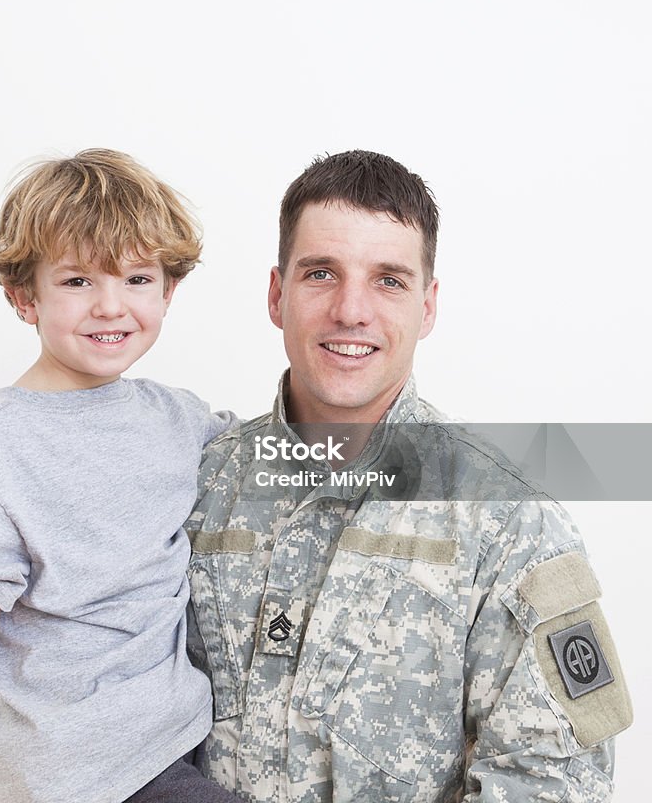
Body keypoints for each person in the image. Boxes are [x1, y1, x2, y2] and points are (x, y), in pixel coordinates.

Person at [185, 149, 632, 802]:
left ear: (428, 306)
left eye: (389, 280)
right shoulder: (192, 485)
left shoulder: (508, 520)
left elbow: (556, 781)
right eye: (321, 274)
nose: (351, 310)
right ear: (278, 295)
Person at [0, 149, 243, 803]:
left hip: (177, 744)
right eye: (79, 281)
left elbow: (290, 456)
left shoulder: (179, 418)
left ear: (170, 290)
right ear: (24, 296)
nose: (111, 306)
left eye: (138, 279)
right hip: (87, 775)